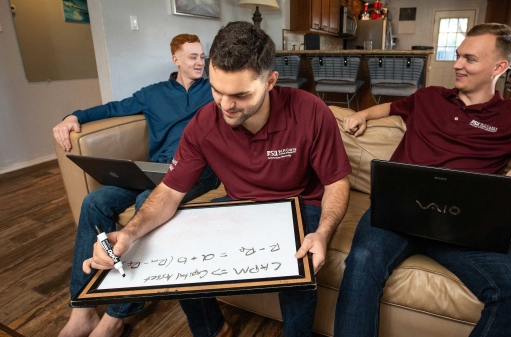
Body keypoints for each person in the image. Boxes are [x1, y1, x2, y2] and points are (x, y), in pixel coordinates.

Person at [86, 21, 352, 337]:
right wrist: (128, 234)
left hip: (298, 204)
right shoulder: (204, 123)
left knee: (298, 260)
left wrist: (322, 233)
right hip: (240, 204)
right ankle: (212, 328)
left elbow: (336, 182)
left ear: (270, 82)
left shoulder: (310, 111)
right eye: (216, 90)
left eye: (239, 94)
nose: (225, 105)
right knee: (174, 233)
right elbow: (170, 191)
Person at [335, 23, 511, 337]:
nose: (457, 64)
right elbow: (393, 106)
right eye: (458, 56)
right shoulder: (429, 97)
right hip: (397, 212)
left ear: (499, 67)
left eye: (470, 59)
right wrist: (364, 114)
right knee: (363, 260)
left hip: (465, 226)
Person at [56, 34, 221, 337]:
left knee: (148, 199)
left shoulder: (214, 90)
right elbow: (113, 108)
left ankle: (116, 317)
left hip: (199, 170)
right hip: (153, 169)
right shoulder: (153, 93)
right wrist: (73, 116)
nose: (200, 62)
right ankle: (82, 309)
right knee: (94, 201)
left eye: (202, 57)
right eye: (193, 57)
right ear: (175, 60)